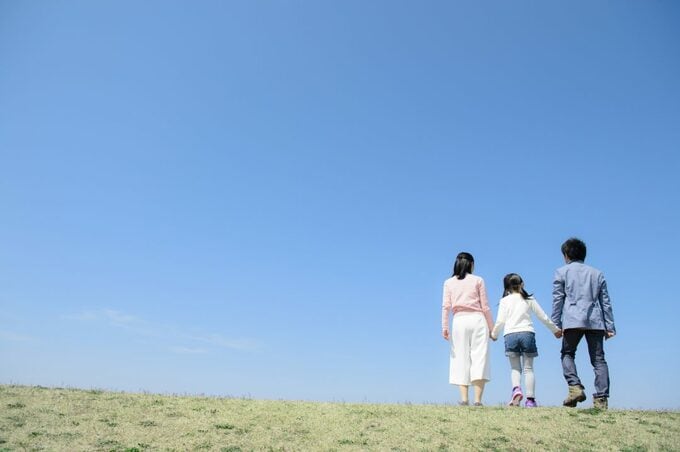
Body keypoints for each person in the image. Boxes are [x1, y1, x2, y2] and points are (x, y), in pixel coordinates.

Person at [551, 238, 616, 410]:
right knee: (598, 360)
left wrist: (555, 324)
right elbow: (606, 302)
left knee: (567, 353)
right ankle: (601, 399)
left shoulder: (561, 272)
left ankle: (575, 387)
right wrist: (610, 326)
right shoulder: (597, 273)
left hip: (572, 320)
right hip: (595, 321)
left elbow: (558, 300)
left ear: (566, 255)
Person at [491, 273, 561, 408]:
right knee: (529, 369)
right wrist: (555, 330)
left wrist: (494, 334)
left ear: (506, 288)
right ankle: (530, 400)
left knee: (515, 368)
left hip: (510, 335)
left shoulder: (504, 301)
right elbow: (543, 317)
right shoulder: (529, 299)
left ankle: (516, 389)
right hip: (527, 334)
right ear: (522, 284)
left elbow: (500, 321)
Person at [441, 252, 494, 406]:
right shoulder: (478, 280)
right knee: (480, 358)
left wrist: (445, 326)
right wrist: (492, 328)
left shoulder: (448, 282)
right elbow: (485, 306)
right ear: (471, 264)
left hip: (459, 321)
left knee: (460, 358)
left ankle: (464, 399)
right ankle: (478, 400)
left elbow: (446, 307)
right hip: (478, 320)